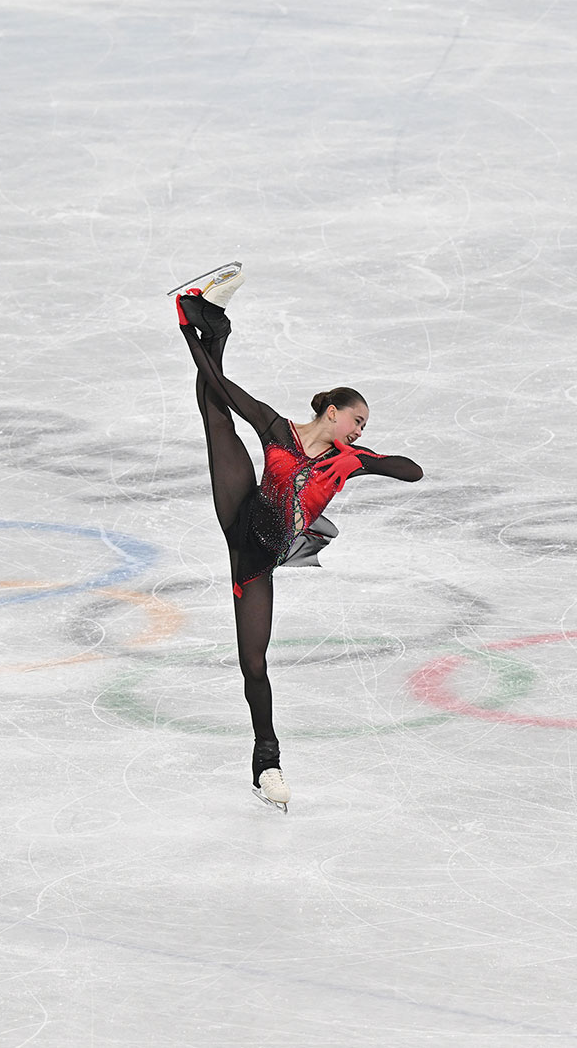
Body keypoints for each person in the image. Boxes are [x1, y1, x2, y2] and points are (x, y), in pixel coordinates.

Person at [175, 268, 423, 812]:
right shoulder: (279, 431)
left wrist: (369, 459)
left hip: (260, 558)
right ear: (330, 412)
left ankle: (265, 762)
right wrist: (191, 340)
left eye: (364, 426)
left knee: (255, 664)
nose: (360, 430)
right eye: (356, 420)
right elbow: (224, 392)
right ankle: (206, 323)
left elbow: (414, 472)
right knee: (218, 419)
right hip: (243, 517)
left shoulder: (349, 459)